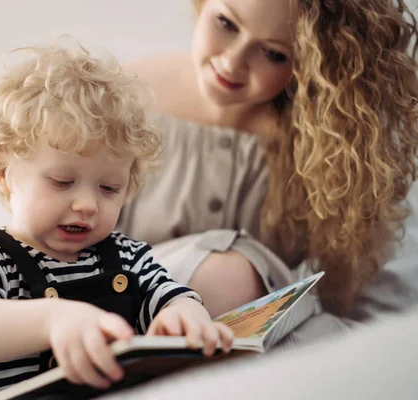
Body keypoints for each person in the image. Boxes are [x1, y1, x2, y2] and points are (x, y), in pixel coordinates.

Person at [0, 42, 234, 399]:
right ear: (4, 173)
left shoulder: (126, 257)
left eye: (108, 188)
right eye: (62, 182)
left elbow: (166, 293)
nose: (87, 204)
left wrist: (184, 314)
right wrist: (53, 319)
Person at [117, 0, 418, 344]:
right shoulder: (129, 96)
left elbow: (376, 297)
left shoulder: (336, 143)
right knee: (228, 277)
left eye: (275, 54)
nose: (231, 62)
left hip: (247, 338)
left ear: (313, 62)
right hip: (122, 307)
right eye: (226, 23)